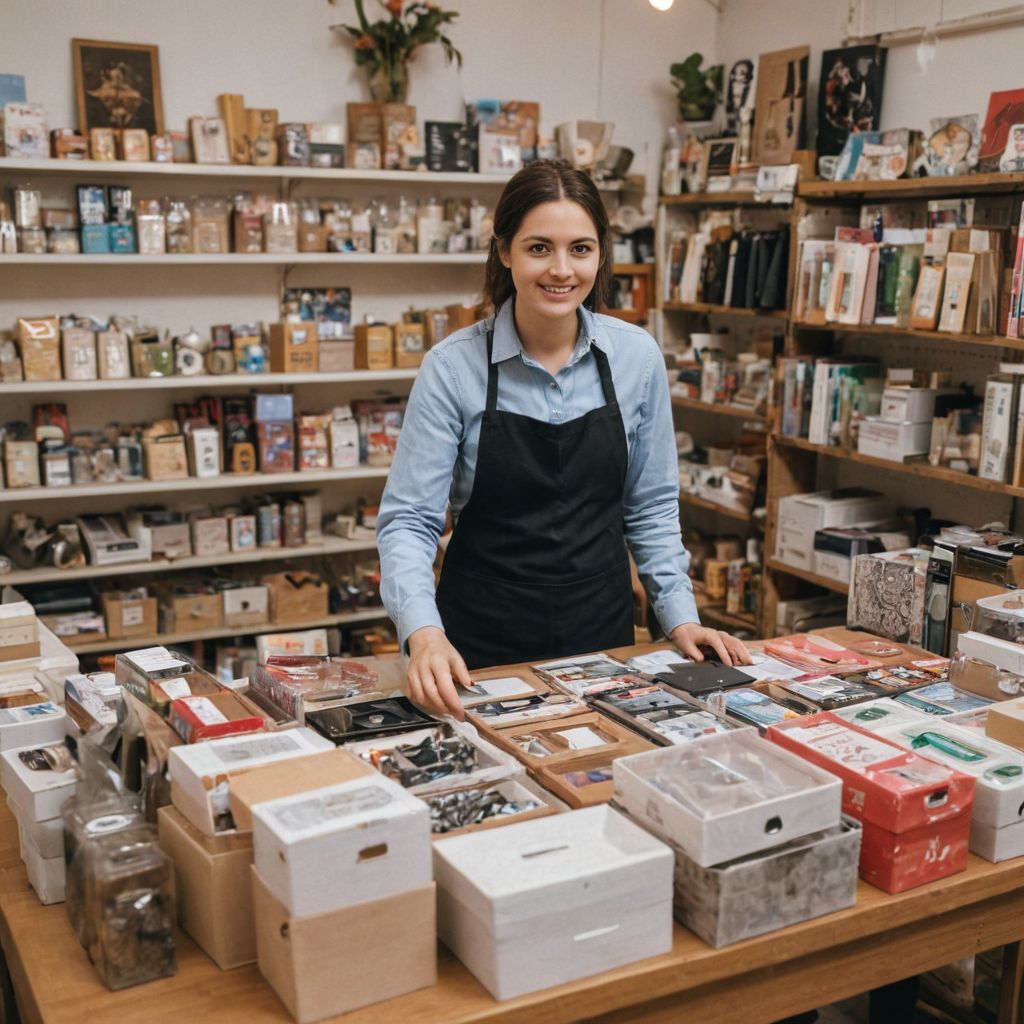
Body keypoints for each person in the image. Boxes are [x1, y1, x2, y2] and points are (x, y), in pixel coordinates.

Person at [377, 159, 751, 720]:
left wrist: (679, 616)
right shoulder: (452, 368)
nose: (561, 269)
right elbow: (410, 521)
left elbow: (649, 508)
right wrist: (423, 634)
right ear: (504, 251)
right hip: (477, 645)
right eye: (538, 248)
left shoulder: (636, 358)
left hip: (601, 637)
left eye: (580, 248)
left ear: (601, 254)